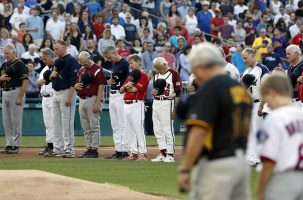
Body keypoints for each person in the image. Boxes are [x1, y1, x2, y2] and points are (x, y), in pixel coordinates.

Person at [178, 42, 252, 200]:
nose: (196, 77)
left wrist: (185, 169)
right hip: (241, 163)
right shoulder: (239, 89)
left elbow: (198, 132)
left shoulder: (210, 88)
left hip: (218, 164)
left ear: (203, 66)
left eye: (195, 71)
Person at [257, 73, 303, 200]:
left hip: (282, 179)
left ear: (272, 93)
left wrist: (261, 190)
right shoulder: (300, 114)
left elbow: (269, 160)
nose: (267, 103)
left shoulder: (275, 118)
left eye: (265, 97)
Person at [45, 40, 79, 158]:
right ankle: (57, 148)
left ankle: (69, 149)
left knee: (67, 122)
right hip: (55, 92)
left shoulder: (71, 60)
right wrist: (51, 75)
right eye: (54, 49)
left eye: (57, 49)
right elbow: (51, 78)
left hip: (66, 92)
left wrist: (70, 97)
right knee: (56, 122)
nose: (55, 51)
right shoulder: (57, 62)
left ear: (64, 47)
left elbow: (73, 81)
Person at [75, 51, 106, 158]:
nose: (82, 63)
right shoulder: (82, 69)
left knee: (94, 125)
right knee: (86, 127)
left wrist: (97, 103)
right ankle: (88, 148)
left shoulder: (97, 69)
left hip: (92, 98)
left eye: (83, 61)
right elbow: (77, 82)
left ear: (89, 58)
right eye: (80, 61)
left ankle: (94, 150)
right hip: (82, 99)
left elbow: (101, 86)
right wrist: (76, 87)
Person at [242, 48, 269, 166]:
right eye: (243, 58)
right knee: (249, 131)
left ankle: (258, 158)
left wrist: (262, 106)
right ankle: (250, 156)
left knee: (257, 130)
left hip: (259, 102)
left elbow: (266, 88)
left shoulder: (262, 69)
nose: (243, 60)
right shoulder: (246, 71)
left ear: (252, 55)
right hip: (248, 104)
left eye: (245, 58)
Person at [151, 57, 182, 163]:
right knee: (157, 129)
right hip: (156, 102)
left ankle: (170, 154)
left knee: (167, 129)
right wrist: (153, 92)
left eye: (159, 68)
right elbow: (156, 89)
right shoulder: (156, 75)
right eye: (156, 68)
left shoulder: (174, 73)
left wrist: (175, 109)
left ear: (164, 64)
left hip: (167, 102)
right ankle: (163, 153)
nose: (158, 70)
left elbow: (178, 92)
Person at [0, 44, 28, 154]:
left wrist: (20, 97)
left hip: (16, 91)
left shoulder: (20, 64)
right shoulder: (4, 65)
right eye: (4, 53)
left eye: (7, 53)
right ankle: (9, 144)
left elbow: (25, 81)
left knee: (16, 121)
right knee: (6, 121)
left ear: (13, 52)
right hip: (5, 92)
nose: (5, 55)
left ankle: (15, 145)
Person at [120, 54, 149, 160]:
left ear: (138, 62)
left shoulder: (143, 75)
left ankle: (143, 153)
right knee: (129, 130)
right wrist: (126, 87)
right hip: (126, 103)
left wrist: (127, 87)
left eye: (131, 63)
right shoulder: (131, 75)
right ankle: (133, 153)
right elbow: (121, 90)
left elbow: (134, 90)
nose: (130, 65)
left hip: (137, 103)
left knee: (138, 129)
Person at [103, 46, 129, 159]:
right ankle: (118, 150)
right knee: (115, 125)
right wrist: (111, 81)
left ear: (114, 53)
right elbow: (114, 80)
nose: (109, 59)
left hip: (120, 95)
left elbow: (120, 79)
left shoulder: (124, 63)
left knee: (122, 124)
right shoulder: (116, 64)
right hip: (113, 95)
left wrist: (113, 81)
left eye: (110, 57)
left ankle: (125, 150)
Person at [38, 48, 55, 155]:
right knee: (48, 123)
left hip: (53, 96)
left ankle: (56, 146)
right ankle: (50, 145)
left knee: (54, 123)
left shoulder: (56, 68)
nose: (44, 61)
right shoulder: (44, 69)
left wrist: (44, 81)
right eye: (43, 59)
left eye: (45, 59)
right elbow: (41, 82)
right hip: (45, 98)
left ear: (50, 56)